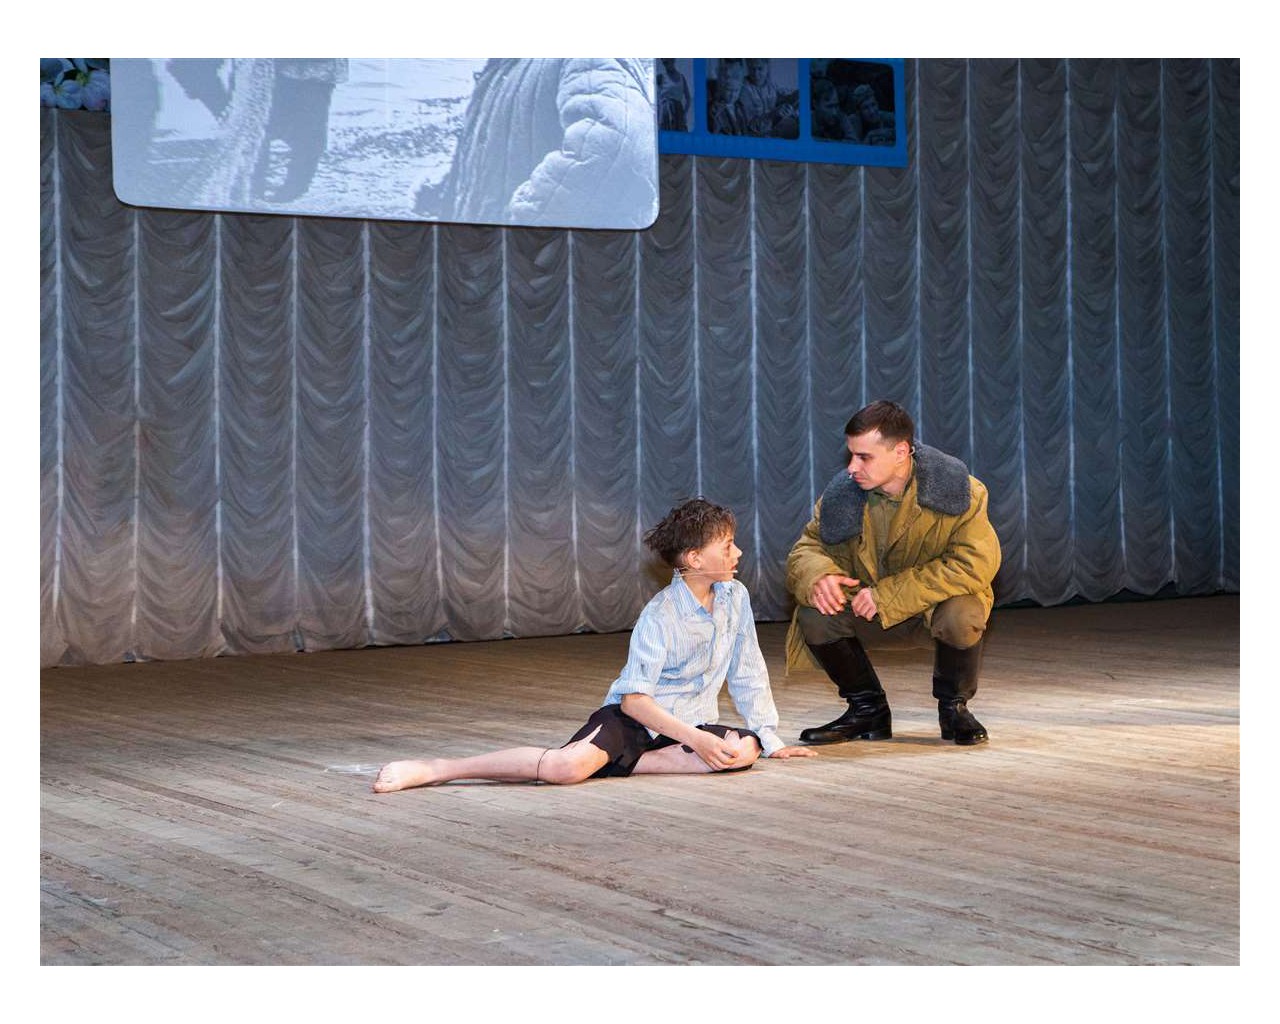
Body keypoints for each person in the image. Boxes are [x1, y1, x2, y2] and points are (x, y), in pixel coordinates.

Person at [374, 498, 816, 792]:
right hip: (638, 721)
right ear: (695, 559)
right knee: (564, 769)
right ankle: (440, 769)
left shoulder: (735, 597)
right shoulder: (660, 615)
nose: (738, 553)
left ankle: (619, 762)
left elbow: (747, 669)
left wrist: (769, 737)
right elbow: (635, 701)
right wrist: (696, 740)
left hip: (686, 727)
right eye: (728, 545)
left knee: (743, 749)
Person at [784, 401, 1001, 746]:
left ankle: (954, 709)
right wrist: (818, 576)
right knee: (816, 613)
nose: (852, 467)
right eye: (851, 455)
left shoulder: (961, 492)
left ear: (901, 452)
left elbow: (974, 563)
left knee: (963, 612)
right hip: (868, 612)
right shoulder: (842, 496)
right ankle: (867, 710)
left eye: (864, 457)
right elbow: (806, 548)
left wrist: (887, 596)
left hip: (932, 610)